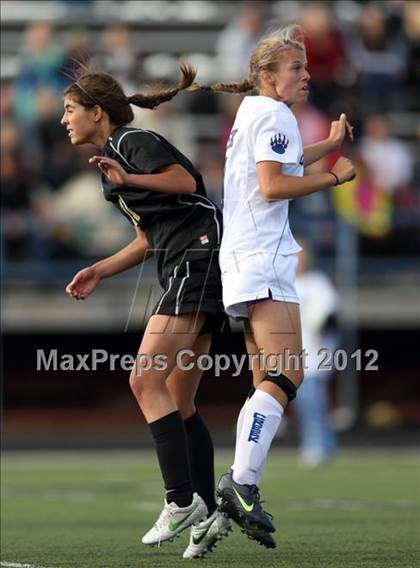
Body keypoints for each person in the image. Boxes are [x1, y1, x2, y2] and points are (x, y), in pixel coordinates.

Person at [191, 24, 355, 547]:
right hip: (264, 257)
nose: (306, 76)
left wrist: (325, 145)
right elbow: (273, 184)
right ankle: (239, 484)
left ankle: (231, 502)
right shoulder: (275, 113)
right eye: (296, 69)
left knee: (269, 381)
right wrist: (335, 175)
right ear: (267, 76)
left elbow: (276, 165)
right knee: (289, 374)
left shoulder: (252, 112)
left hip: (242, 257)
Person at [61, 62, 232, 559]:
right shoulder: (113, 165)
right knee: (179, 400)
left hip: (196, 259)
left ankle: (180, 501)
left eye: (71, 111)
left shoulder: (131, 144)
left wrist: (130, 175)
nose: (64, 120)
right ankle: (206, 508)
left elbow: (185, 181)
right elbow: (146, 238)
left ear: (97, 112)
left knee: (143, 380)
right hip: (188, 262)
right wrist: (99, 269)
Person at [294, 243, 338, 468]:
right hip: (292, 356)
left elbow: (328, 315)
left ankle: (318, 445)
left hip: (313, 355)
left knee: (314, 403)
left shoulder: (317, 282)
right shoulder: (286, 282)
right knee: (303, 404)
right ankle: (322, 443)